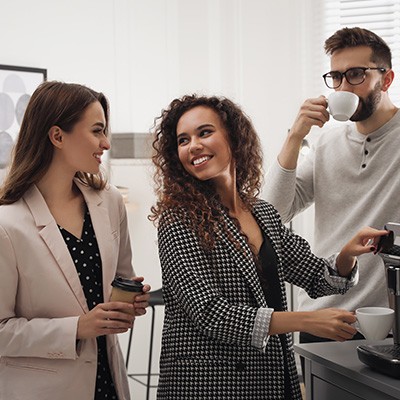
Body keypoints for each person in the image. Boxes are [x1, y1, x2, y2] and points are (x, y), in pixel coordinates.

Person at [149, 94, 388, 399]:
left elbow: (316, 275)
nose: (193, 145)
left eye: (204, 132)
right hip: (208, 385)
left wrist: (347, 254)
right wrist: (306, 320)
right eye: (183, 140)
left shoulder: (262, 212)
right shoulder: (178, 219)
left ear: (234, 138)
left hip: (272, 375)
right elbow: (210, 313)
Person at [0, 81, 150, 400]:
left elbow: (121, 278)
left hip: (108, 381)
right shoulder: (6, 225)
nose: (106, 143)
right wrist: (78, 328)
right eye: (97, 131)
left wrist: (129, 303)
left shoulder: (109, 202)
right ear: (57, 136)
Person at [264, 27, 400, 349]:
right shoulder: (326, 141)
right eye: (336, 77)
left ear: (387, 78)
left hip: (385, 319)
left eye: (355, 74)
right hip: (322, 317)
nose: (342, 86)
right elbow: (273, 213)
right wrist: (295, 137)